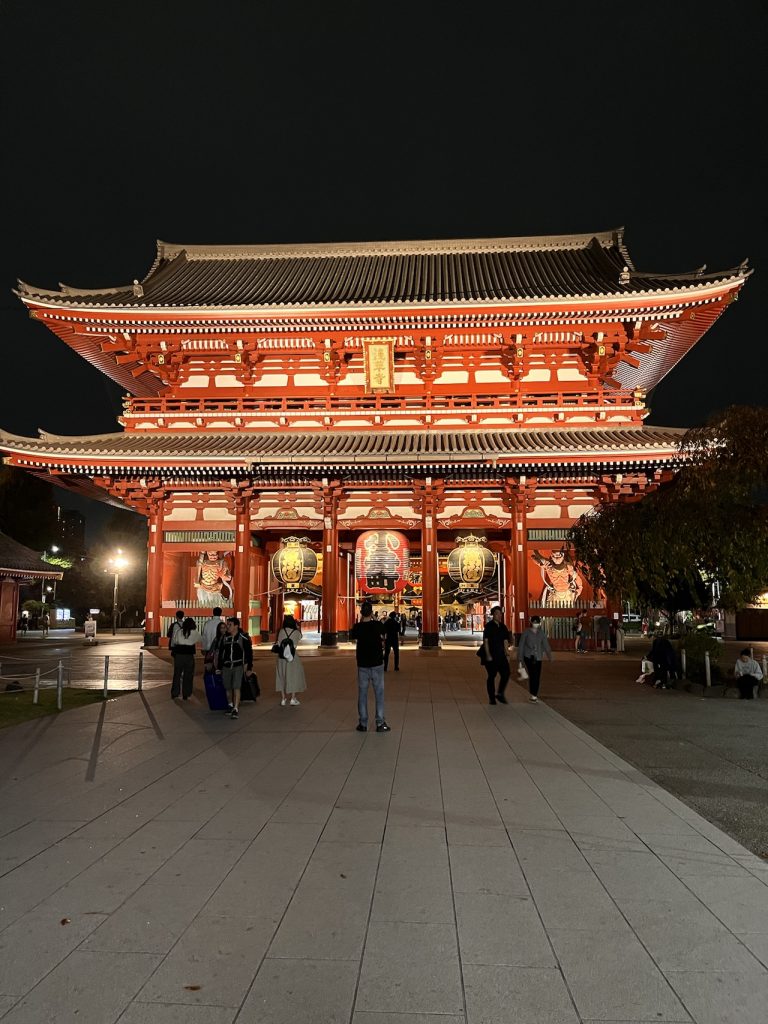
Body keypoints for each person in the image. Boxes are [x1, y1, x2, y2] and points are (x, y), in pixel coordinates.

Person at [350, 600, 389, 732]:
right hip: (377, 663)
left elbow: (352, 637)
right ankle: (380, 723)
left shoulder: (357, 627)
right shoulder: (378, 625)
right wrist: (373, 618)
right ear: (372, 612)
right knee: (379, 694)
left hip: (362, 664)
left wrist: (362, 621)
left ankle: (363, 723)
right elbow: (384, 634)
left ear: (361, 613)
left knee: (362, 694)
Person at [215, 617, 253, 718]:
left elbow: (249, 653)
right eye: (228, 624)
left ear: (236, 626)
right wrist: (219, 667)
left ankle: (236, 708)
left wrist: (249, 667)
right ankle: (230, 704)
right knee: (227, 687)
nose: (227, 627)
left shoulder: (243, 637)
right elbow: (221, 653)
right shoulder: (225, 638)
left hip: (238, 665)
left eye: (230, 625)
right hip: (227, 666)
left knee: (236, 686)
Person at [517, 615, 553, 703]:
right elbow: (521, 645)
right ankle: (533, 694)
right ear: (531, 623)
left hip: (538, 657)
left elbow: (546, 644)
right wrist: (520, 658)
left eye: (537, 623)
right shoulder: (526, 632)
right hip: (528, 657)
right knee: (533, 675)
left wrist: (549, 655)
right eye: (534, 622)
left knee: (537, 676)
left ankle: (534, 694)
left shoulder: (541, 633)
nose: (536, 624)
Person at [482, 606, 512, 705]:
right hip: (491, 654)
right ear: (493, 615)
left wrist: (507, 653)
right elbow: (485, 641)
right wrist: (488, 655)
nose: (499, 616)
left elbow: (505, 641)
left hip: (501, 655)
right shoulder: (488, 626)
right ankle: (492, 698)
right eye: (497, 614)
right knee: (491, 676)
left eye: (500, 614)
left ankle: (500, 693)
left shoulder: (503, 627)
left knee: (506, 673)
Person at [275, 613, 306, 706]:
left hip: (281, 657)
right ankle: (293, 698)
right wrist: (297, 627)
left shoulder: (281, 631)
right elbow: (300, 637)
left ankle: (283, 699)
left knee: (281, 676)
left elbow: (278, 642)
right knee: (294, 676)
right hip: (293, 657)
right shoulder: (296, 633)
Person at [171, 616, 201, 700]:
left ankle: (175, 693)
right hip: (189, 655)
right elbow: (201, 640)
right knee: (188, 675)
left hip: (179, 655)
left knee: (177, 674)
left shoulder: (179, 631)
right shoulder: (194, 632)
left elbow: (175, 641)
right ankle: (186, 693)